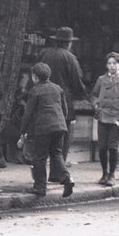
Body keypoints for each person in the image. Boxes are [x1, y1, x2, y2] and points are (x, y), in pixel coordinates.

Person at [17, 62, 75, 198]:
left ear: (35, 77)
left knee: (39, 157)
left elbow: (28, 113)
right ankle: (67, 179)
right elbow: (64, 110)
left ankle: (40, 187)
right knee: (57, 153)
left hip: (43, 128)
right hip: (60, 126)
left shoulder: (35, 91)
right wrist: (59, 122)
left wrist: (23, 132)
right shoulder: (58, 88)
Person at [37, 26, 87, 162]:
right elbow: (77, 81)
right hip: (63, 102)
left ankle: (42, 165)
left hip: (43, 99)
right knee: (63, 135)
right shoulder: (70, 57)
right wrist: (82, 96)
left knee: (44, 135)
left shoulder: (43, 54)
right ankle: (59, 166)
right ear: (69, 43)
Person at [90, 51, 119, 187]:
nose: (112, 66)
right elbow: (94, 95)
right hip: (103, 116)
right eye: (109, 63)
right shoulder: (101, 80)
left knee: (113, 147)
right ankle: (104, 173)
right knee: (102, 147)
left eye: (115, 63)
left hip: (116, 119)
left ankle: (112, 174)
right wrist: (96, 106)